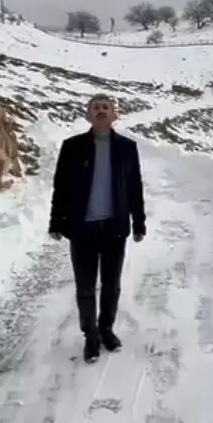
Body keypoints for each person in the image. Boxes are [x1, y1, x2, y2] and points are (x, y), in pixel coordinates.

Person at [48, 94, 147, 363]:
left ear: (114, 115)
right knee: (85, 287)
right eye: (96, 107)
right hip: (83, 228)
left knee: (111, 285)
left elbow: (135, 187)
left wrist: (139, 222)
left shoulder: (127, 147)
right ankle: (90, 335)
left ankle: (106, 329)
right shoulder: (72, 146)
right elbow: (61, 187)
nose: (101, 110)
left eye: (106, 107)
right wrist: (56, 221)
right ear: (88, 115)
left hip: (115, 227)